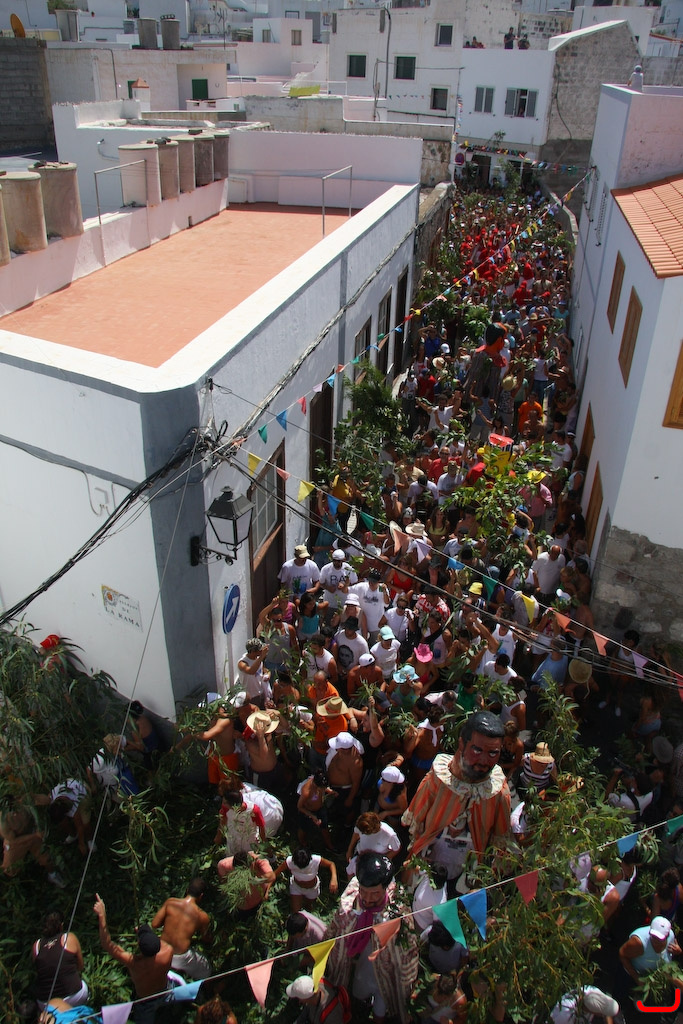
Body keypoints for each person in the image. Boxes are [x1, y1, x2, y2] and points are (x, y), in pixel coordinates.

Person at [402, 711, 511, 860]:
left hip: (470, 858)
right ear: (462, 744)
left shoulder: (498, 791)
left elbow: (500, 835)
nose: (484, 760)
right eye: (477, 750)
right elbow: (420, 814)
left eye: (493, 753)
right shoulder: (440, 778)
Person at [325, 853, 419, 1024]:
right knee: (357, 992)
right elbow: (336, 929)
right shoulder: (350, 903)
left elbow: (407, 950)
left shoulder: (396, 912)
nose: (368, 899)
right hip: (361, 965)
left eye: (375, 893)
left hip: (385, 968)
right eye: (364, 891)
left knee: (382, 1002)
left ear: (385, 888)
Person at [93, 894, 173, 1024]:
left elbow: (107, 944)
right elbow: (155, 942)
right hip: (165, 991)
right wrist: (145, 936)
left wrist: (102, 915)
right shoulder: (168, 951)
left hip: (145, 1002)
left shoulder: (134, 963)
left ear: (139, 946)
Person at [151, 878, 211, 980]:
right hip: (180, 957)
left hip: (161, 950)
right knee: (206, 970)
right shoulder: (202, 916)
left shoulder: (171, 902)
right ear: (201, 896)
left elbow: (155, 924)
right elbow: (206, 938)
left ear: (187, 890)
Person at [33, 911, 88, 1010]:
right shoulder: (69, 938)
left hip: (45, 1002)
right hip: (73, 997)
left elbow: (38, 970)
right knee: (84, 986)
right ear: (61, 925)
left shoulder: (37, 945)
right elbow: (80, 966)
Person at [273, 847, 338, 911]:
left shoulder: (315, 860)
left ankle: (307, 905)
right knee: (296, 911)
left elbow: (331, 864)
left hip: (313, 889)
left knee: (308, 904)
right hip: (297, 888)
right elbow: (275, 873)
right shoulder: (290, 861)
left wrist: (334, 878)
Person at [285, 974, 350, 1024]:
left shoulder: (331, 1016)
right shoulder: (311, 982)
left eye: (298, 997)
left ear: (305, 999)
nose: (298, 1000)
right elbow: (306, 1011)